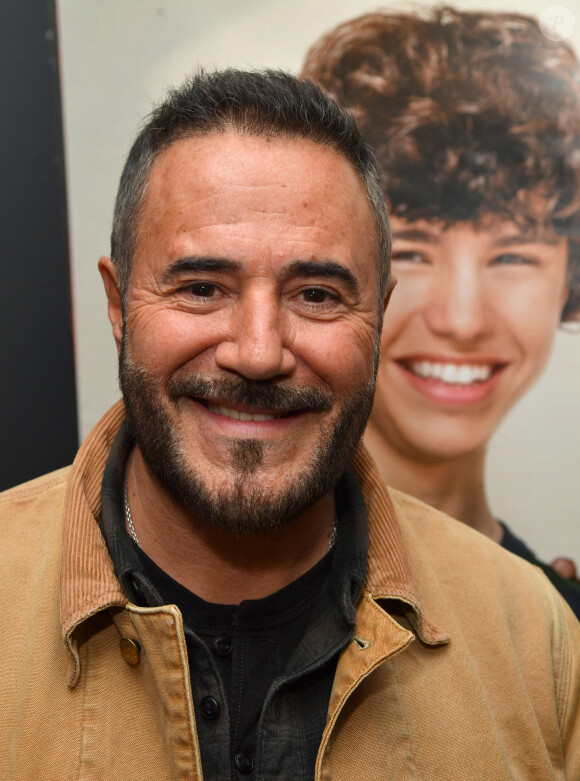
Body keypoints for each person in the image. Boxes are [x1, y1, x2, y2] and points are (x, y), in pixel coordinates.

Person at [1, 68, 579, 780]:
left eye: (316, 293)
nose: (258, 351)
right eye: (202, 288)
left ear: (378, 319)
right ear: (119, 307)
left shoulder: (537, 638)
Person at [302, 6, 580, 614]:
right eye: (413, 253)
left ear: (570, 277)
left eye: (512, 257)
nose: (462, 319)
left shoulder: (561, 622)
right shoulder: (219, 599)